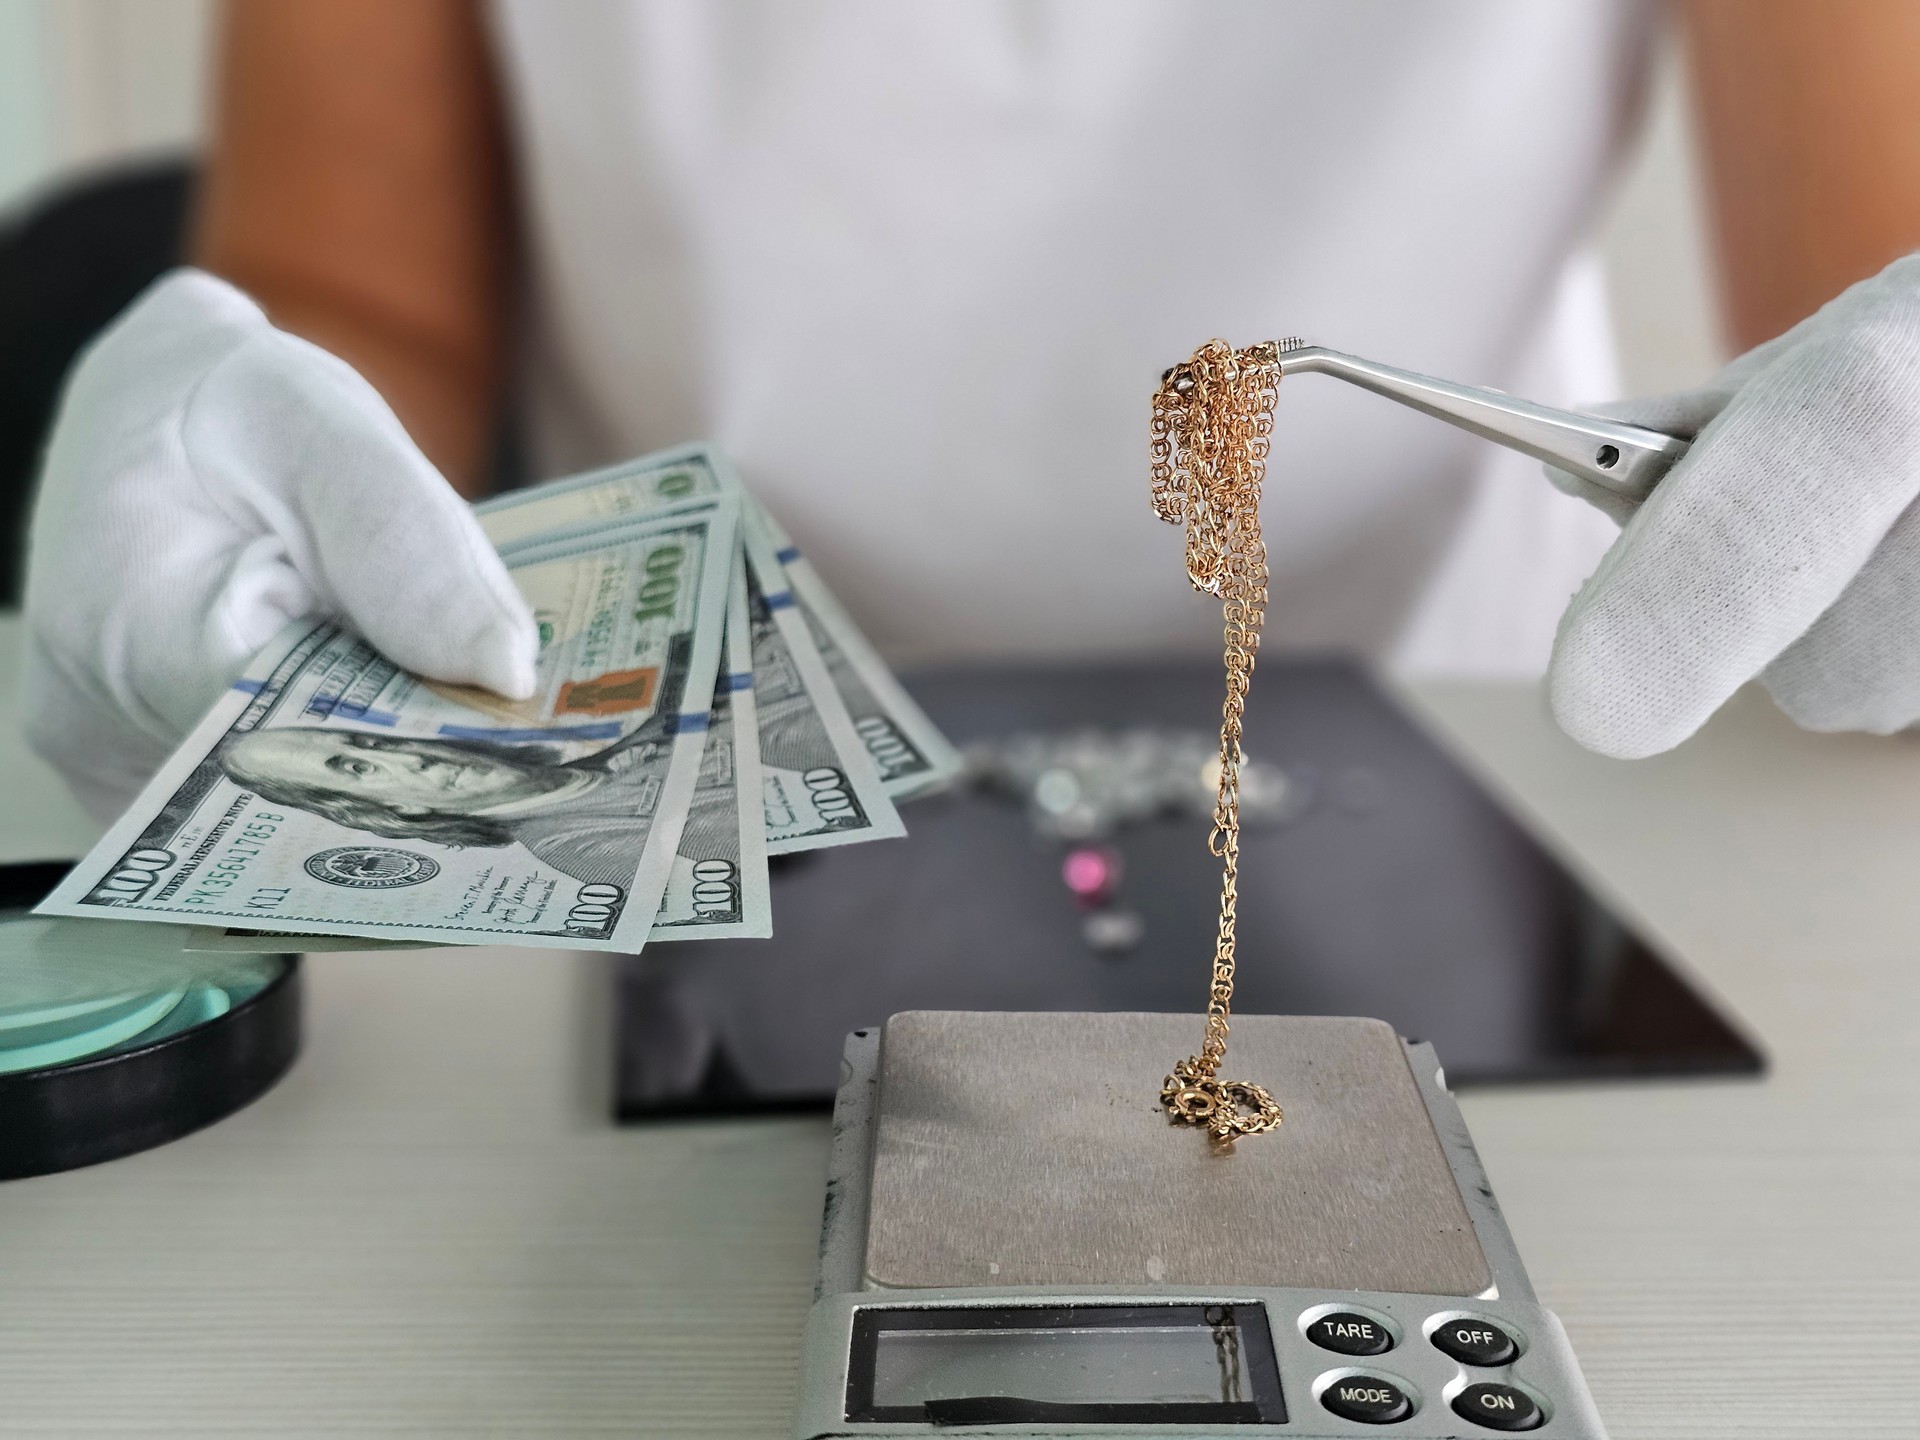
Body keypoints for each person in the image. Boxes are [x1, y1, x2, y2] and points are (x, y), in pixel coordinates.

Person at [21, 1, 1920, 817]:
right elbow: (362, 308)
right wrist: (274, 490)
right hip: (688, 774)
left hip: (1501, 747)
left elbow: (1862, 318)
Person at [218, 724, 680, 888]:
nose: (408, 756)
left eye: (369, 742)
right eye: (358, 769)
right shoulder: (581, 847)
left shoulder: (653, 731)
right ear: (396, 809)